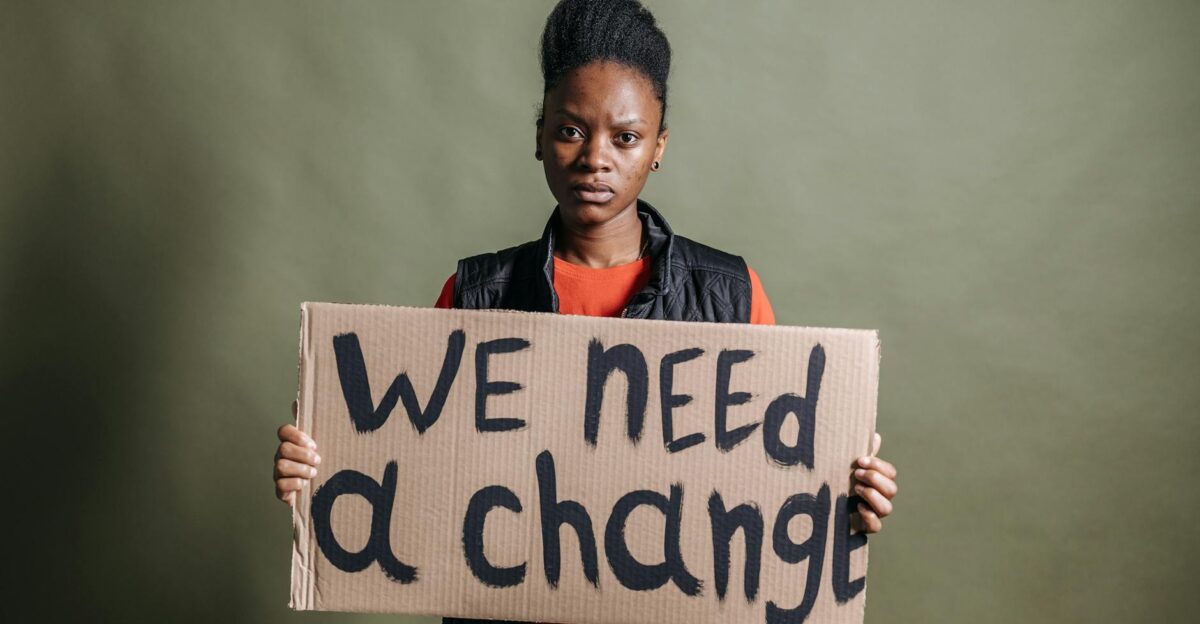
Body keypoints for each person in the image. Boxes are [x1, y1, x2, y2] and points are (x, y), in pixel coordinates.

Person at [273, 0, 898, 621]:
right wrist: (322, 473)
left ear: (658, 146)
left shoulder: (731, 297)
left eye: (626, 137)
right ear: (540, 136)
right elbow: (417, 477)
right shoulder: (475, 295)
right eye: (571, 130)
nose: (596, 157)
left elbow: (766, 489)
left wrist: (843, 500)